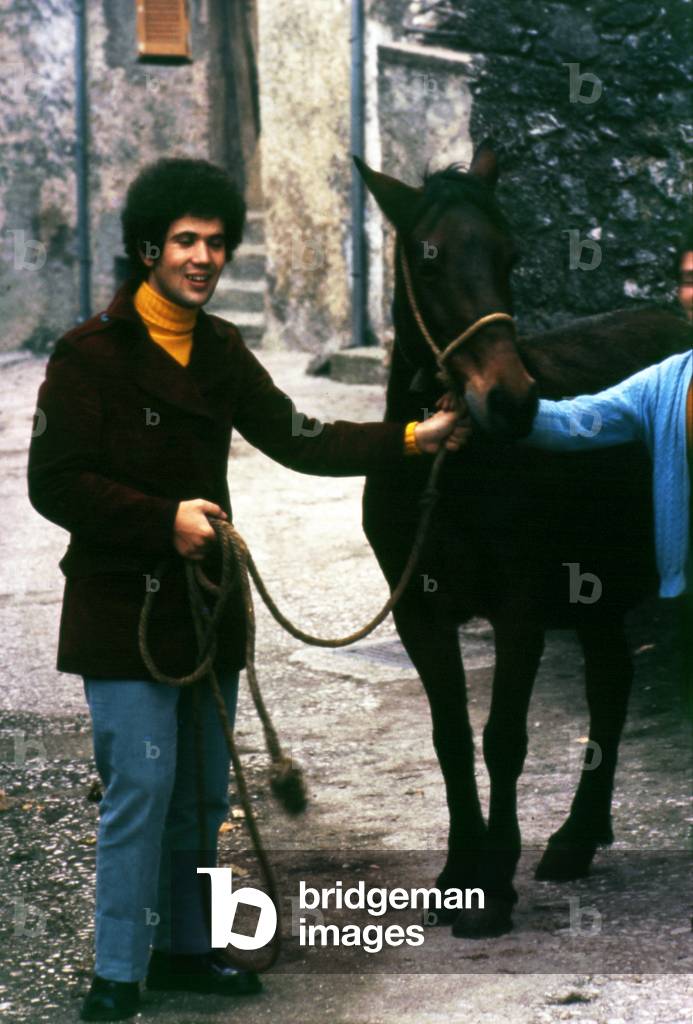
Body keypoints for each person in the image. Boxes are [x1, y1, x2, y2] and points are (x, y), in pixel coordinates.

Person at [27, 158, 466, 1022]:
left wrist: (415, 437)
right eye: (186, 240)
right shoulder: (88, 354)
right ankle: (117, 971)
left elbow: (300, 437)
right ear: (149, 246)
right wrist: (163, 521)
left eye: (216, 243)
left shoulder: (222, 350)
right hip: (126, 608)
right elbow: (55, 482)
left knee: (200, 789)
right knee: (139, 789)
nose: (203, 258)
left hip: (207, 601)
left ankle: (187, 949)